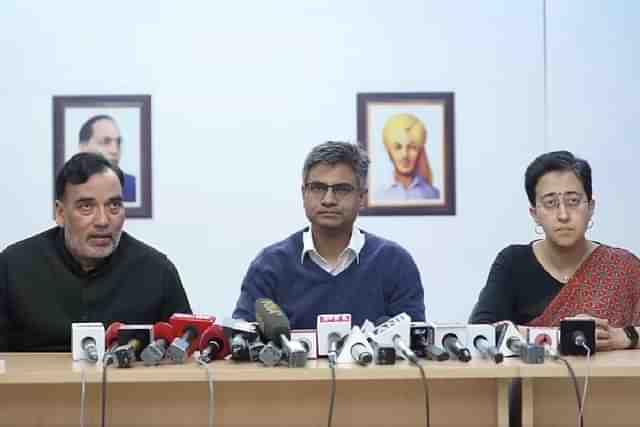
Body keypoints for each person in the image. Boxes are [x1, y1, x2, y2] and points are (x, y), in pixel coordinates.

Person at [0, 153, 191, 352]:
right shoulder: (13, 266)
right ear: (60, 213)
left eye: (114, 205)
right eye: (86, 207)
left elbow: (185, 352)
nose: (103, 221)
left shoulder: (156, 271)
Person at [233, 141, 426, 329]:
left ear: (361, 198)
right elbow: (243, 337)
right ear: (304, 194)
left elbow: (414, 343)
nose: (328, 200)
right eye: (318, 188)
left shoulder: (394, 262)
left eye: (342, 189)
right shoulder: (271, 264)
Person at [470, 151, 640, 351]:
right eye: (550, 203)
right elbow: (481, 332)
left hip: (610, 382)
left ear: (591, 207)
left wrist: (624, 336)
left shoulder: (622, 267)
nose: (563, 215)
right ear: (535, 214)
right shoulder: (513, 262)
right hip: (533, 382)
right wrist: (565, 336)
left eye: (573, 201)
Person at [375, 113, 440, 201]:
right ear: (389, 152)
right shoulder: (378, 195)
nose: (405, 155)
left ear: (420, 151)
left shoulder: (434, 194)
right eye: (398, 147)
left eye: (412, 147)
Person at [79, 115, 136, 202]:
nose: (115, 150)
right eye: (106, 142)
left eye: (118, 142)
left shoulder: (133, 186)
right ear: (84, 147)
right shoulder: (69, 187)